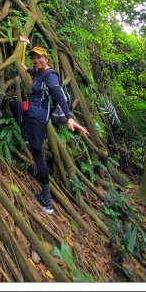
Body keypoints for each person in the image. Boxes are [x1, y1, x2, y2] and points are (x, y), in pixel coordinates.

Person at [10, 45, 89, 215]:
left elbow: (58, 95)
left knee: (38, 157)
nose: (37, 60)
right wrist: (24, 57)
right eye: (34, 57)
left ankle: (47, 201)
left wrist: (69, 117)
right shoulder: (39, 73)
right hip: (31, 113)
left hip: (39, 119)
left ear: (46, 59)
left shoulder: (50, 76)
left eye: (40, 57)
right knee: (14, 106)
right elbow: (29, 70)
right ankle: (27, 136)